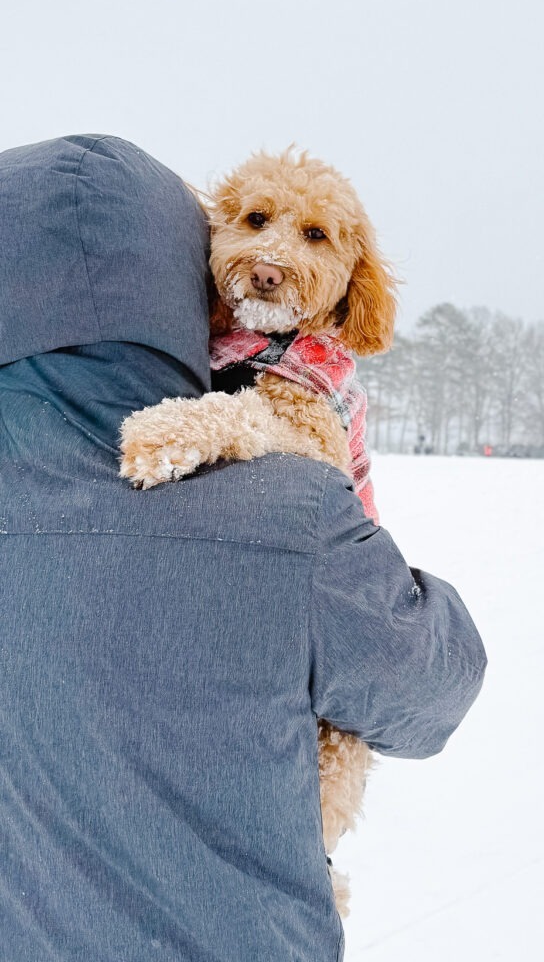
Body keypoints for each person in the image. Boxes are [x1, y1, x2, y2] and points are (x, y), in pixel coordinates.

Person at [0, 136, 487, 961]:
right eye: (253, 224)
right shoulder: (288, 513)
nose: (269, 261)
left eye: (306, 237)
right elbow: (434, 688)